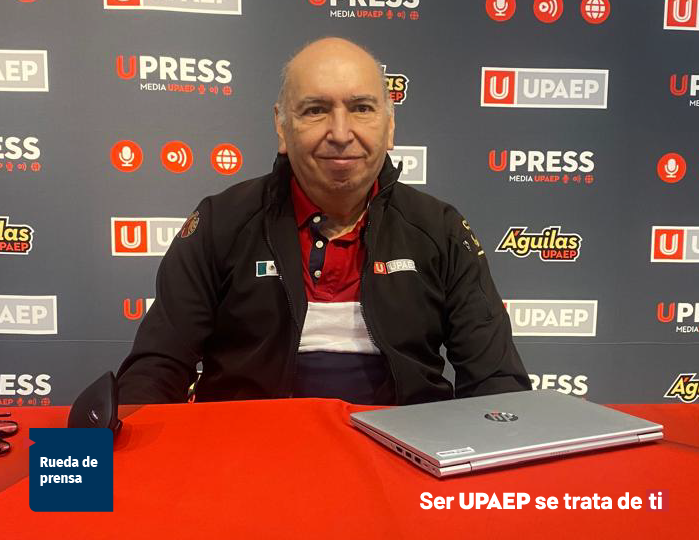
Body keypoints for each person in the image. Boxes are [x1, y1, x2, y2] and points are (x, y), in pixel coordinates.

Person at [116, 37, 531, 405]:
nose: (341, 132)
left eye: (361, 108)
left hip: (403, 456)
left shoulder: (440, 229)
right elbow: (155, 369)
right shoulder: (220, 222)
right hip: (249, 454)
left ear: (389, 127)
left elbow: (497, 382)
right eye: (315, 110)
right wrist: (108, 456)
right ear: (282, 127)